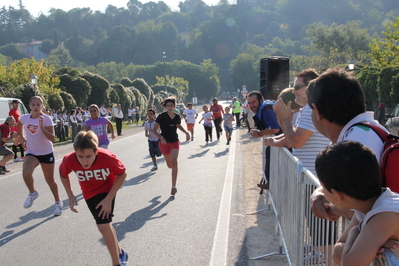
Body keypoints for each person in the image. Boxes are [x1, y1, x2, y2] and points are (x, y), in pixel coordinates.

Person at [306, 68, 388, 221]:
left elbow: (359, 205)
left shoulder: (356, 142)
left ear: (316, 112)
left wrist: (330, 208)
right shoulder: (362, 131)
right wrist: (318, 194)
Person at [315, 141, 399, 265]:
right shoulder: (369, 206)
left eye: (322, 187)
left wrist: (356, 232)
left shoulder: (385, 213)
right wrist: (364, 248)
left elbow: (350, 263)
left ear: (337, 195)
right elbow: (337, 253)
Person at [59, 131, 128, 266]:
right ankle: (120, 253)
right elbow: (63, 174)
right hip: (88, 192)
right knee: (105, 224)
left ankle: (117, 263)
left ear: (96, 152)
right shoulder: (69, 160)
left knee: (102, 225)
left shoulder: (107, 157)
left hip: (106, 188)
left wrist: (109, 199)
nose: (84, 161)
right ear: (75, 152)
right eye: (81, 156)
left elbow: (122, 174)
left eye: (89, 156)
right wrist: (70, 194)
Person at [264, 69, 330, 176]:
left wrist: (285, 119)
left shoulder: (311, 108)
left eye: (297, 88)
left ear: (310, 87)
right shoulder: (307, 108)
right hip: (309, 178)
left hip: (312, 179)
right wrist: (281, 118)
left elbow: (295, 142)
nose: (293, 91)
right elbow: (290, 138)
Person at [18, 96, 63, 215]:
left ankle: (58, 203)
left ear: (42, 106)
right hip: (32, 152)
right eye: (33, 104)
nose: (35, 107)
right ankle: (32, 192)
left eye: (38, 104)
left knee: (50, 180)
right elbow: (20, 124)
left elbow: (52, 138)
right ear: (29, 107)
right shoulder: (25, 118)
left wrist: (42, 127)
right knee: (26, 173)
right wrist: (22, 138)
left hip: (46, 152)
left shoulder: (46, 119)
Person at [152, 97, 190, 196]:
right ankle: (167, 161)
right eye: (167, 106)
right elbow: (154, 129)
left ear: (174, 106)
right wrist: (160, 138)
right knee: (169, 165)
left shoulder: (177, 116)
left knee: (174, 161)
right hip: (164, 143)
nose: (169, 107)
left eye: (171, 105)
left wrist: (186, 132)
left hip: (174, 141)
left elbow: (178, 125)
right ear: (165, 107)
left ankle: (173, 186)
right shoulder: (161, 116)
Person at [247, 90, 281, 189]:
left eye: (254, 102)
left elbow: (274, 128)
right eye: (249, 103)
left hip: (287, 139)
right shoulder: (265, 108)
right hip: (283, 138)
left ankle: (269, 181)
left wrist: (259, 133)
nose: (252, 105)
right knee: (269, 151)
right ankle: (269, 180)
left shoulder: (266, 109)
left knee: (269, 151)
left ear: (261, 100)